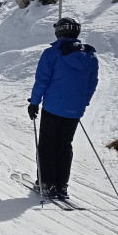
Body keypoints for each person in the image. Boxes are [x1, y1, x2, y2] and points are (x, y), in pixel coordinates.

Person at [27, 17, 99, 199]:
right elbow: (92, 83)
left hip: (53, 107)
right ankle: (61, 185)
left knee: (47, 145)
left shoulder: (52, 53)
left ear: (59, 32)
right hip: (75, 109)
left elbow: (42, 80)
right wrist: (83, 102)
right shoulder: (90, 55)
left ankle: (46, 183)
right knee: (64, 145)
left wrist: (34, 102)